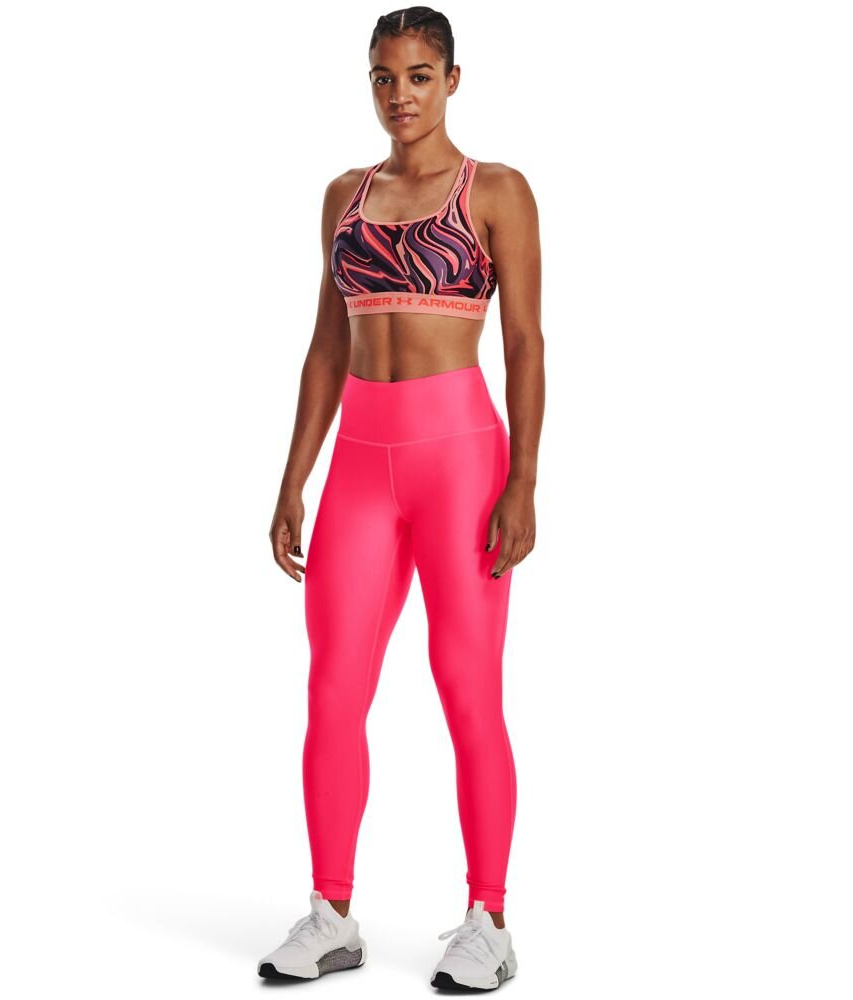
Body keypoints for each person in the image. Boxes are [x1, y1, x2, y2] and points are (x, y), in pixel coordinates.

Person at [257, 7, 544, 990]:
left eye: (420, 76)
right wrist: (293, 477)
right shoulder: (344, 195)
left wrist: (524, 481)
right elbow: (326, 344)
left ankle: (489, 919)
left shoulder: (495, 191)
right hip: (358, 469)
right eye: (384, 77)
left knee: (468, 687)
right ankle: (331, 912)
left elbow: (525, 343)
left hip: (461, 462)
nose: (400, 95)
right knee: (333, 688)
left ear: (452, 80)